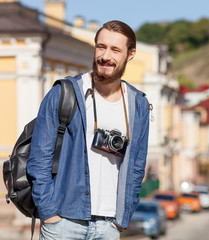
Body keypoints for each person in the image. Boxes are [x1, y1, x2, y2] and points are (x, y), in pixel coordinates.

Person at [27, 20, 150, 240]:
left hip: (109, 227)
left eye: (115, 50)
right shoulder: (64, 93)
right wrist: (49, 214)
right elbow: (39, 157)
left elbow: (137, 166)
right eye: (101, 47)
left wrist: (121, 221)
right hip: (63, 222)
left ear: (130, 54)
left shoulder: (138, 105)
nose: (105, 56)